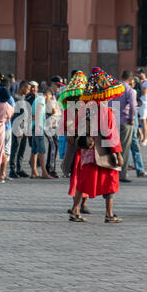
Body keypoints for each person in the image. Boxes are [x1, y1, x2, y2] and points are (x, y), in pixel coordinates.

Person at [69, 67, 125, 223]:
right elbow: (111, 134)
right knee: (111, 182)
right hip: (104, 152)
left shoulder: (84, 108)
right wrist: (118, 153)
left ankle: (75, 210)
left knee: (84, 180)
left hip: (88, 151)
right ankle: (109, 214)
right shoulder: (106, 111)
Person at [58, 70, 90, 213]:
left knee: (86, 173)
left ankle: (83, 204)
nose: (78, 96)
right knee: (75, 174)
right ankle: (77, 205)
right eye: (76, 93)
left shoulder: (88, 106)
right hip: (73, 145)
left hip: (86, 144)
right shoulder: (70, 106)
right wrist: (69, 133)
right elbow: (65, 125)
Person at [111, 70, 137, 183]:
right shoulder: (129, 90)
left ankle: (110, 171)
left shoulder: (113, 88)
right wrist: (131, 118)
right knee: (124, 148)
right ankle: (121, 174)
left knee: (111, 147)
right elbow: (133, 106)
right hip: (125, 122)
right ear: (131, 80)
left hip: (112, 120)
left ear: (121, 76)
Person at [30, 88, 54, 179]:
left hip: (34, 126)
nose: (49, 100)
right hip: (38, 127)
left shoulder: (37, 99)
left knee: (34, 150)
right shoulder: (41, 100)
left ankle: (34, 171)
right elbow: (38, 112)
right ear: (47, 95)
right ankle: (44, 172)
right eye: (50, 98)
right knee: (42, 150)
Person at [9, 80, 31, 179]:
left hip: (24, 128)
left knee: (22, 149)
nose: (29, 91)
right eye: (28, 88)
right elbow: (15, 115)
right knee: (15, 149)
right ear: (22, 87)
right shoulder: (15, 99)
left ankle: (19, 168)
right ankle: (12, 170)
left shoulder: (24, 98)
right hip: (17, 128)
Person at [45, 76, 63, 178]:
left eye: (60, 86)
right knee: (53, 145)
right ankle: (50, 169)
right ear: (52, 83)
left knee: (54, 145)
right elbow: (48, 109)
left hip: (52, 124)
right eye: (57, 85)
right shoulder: (47, 94)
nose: (59, 88)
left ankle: (49, 167)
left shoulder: (53, 95)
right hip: (48, 124)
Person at [136, 68, 147, 146]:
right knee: (137, 120)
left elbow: (144, 92)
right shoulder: (139, 82)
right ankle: (141, 135)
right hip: (138, 103)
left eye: (140, 73)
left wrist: (140, 83)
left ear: (144, 74)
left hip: (144, 104)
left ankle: (145, 138)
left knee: (143, 121)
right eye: (138, 73)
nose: (139, 75)